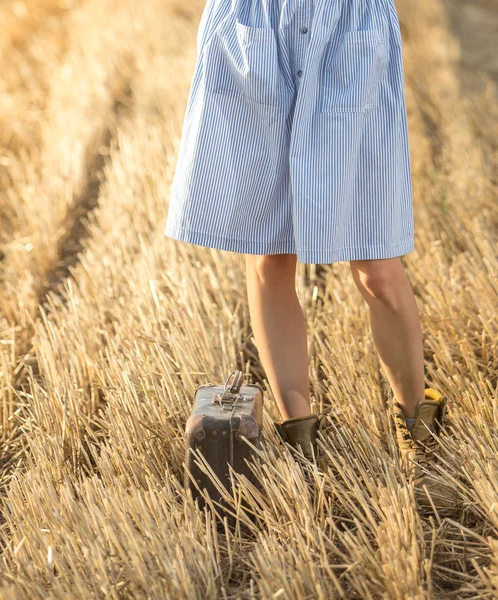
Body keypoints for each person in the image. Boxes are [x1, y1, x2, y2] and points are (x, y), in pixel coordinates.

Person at [165, 0, 451, 507]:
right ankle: (300, 441)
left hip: (349, 28)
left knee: (377, 270)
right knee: (270, 257)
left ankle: (419, 429)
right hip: (258, 26)